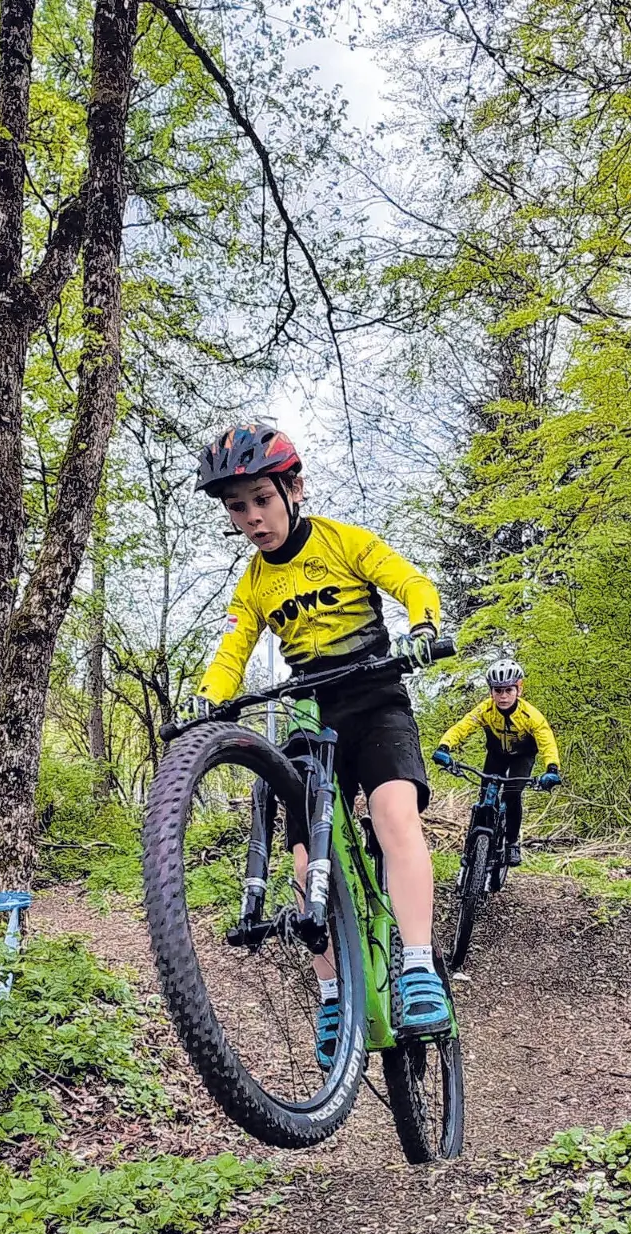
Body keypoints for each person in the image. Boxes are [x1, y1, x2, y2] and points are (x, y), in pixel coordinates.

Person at [191, 421, 451, 1063]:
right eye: (237, 507)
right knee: (308, 863)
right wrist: (208, 698)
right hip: (312, 708)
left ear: (293, 488)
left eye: (261, 499)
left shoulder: (345, 542)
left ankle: (417, 965)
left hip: (374, 694)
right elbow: (232, 648)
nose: (253, 518)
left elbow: (412, 584)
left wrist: (423, 624)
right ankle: (335, 993)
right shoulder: (253, 584)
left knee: (393, 816)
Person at [432, 659, 561, 866]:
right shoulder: (485, 710)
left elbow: (547, 742)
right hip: (496, 755)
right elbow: (462, 727)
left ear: (519, 689)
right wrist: (444, 747)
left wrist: (552, 769)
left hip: (522, 757)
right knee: (485, 795)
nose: (503, 696)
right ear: (491, 691)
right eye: (497, 690)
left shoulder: (531, 715)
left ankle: (511, 843)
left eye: (508, 690)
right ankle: (472, 847)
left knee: (511, 795)